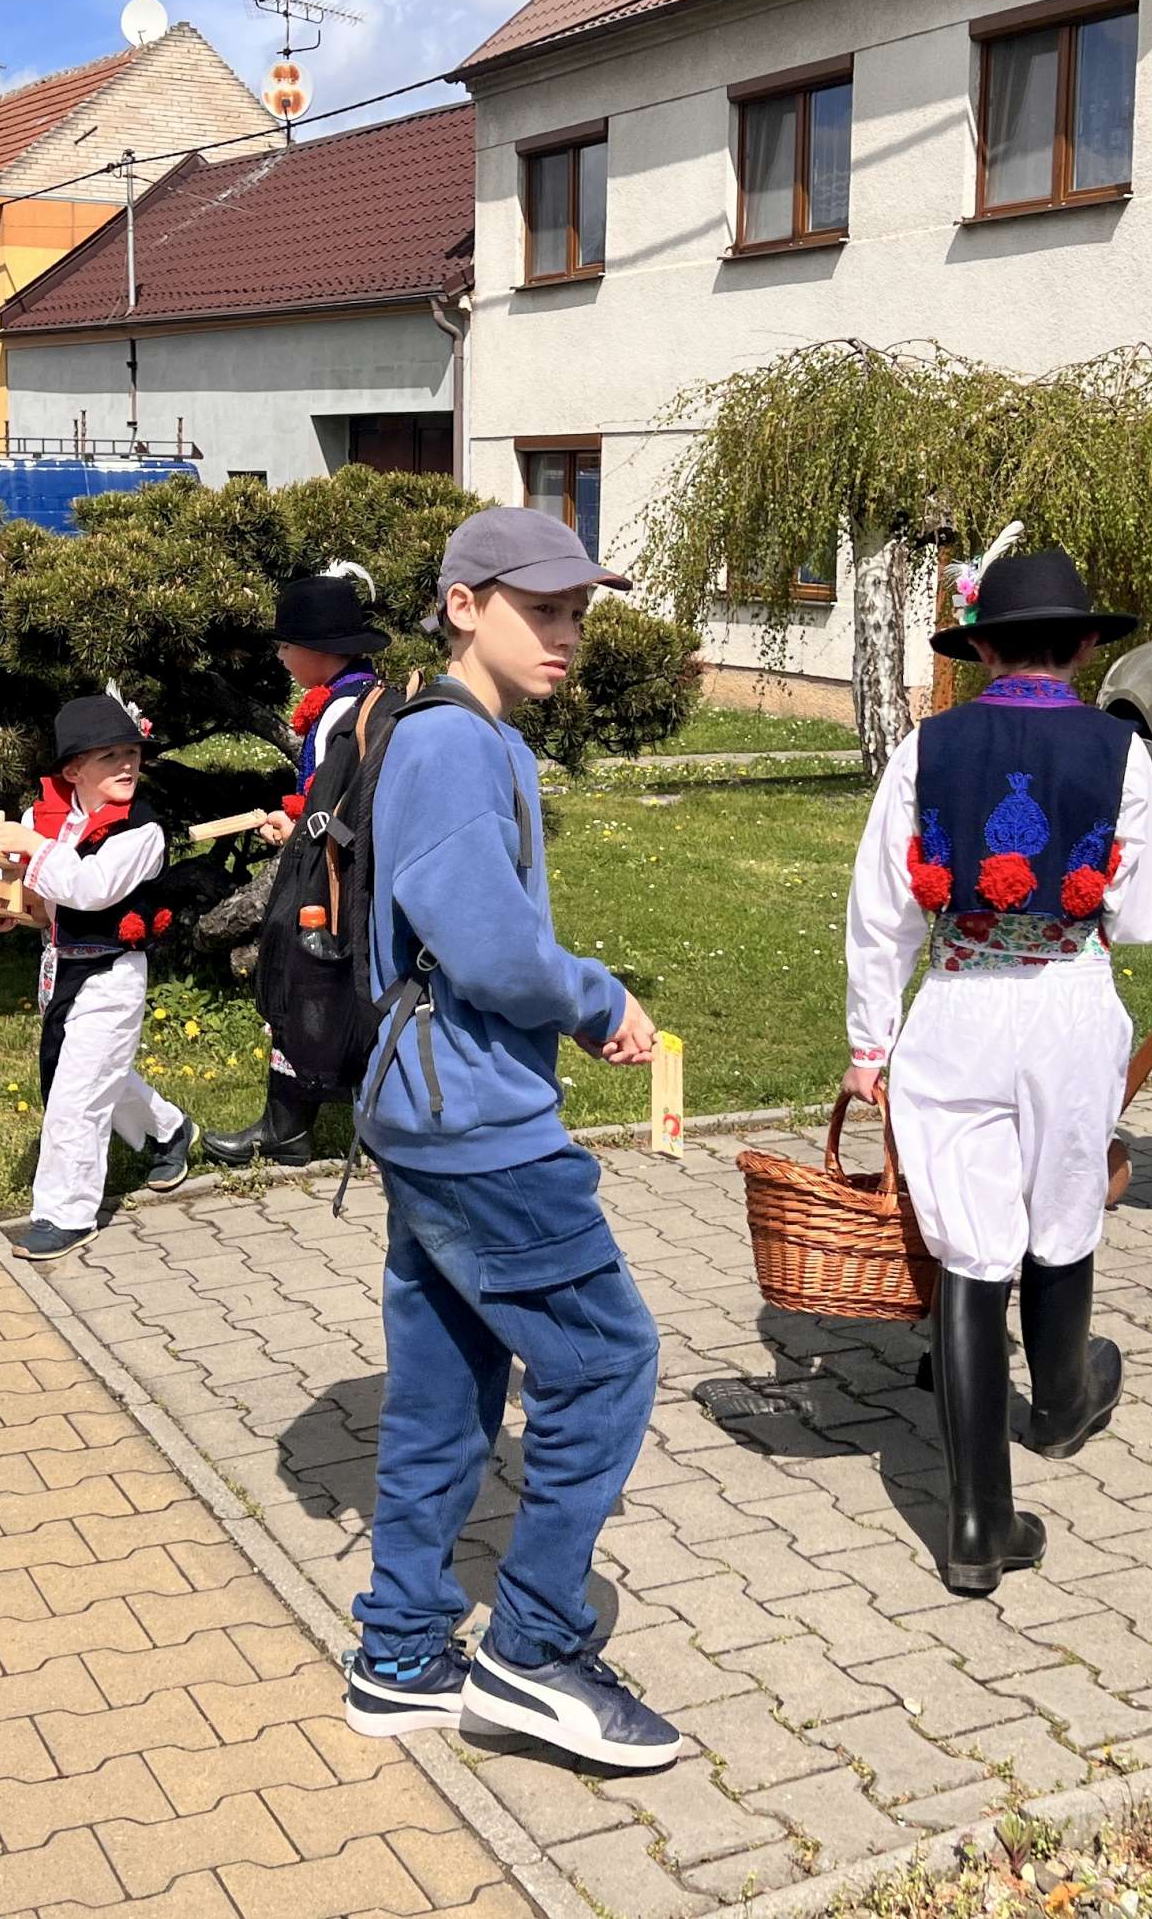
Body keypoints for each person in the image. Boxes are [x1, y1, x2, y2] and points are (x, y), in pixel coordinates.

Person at [341, 505, 682, 1772]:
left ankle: (400, 1653)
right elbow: (487, 946)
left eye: (577, 612)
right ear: (462, 606)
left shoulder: (455, 733)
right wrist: (596, 997)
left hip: (427, 1113)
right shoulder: (454, 745)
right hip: (480, 1127)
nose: (566, 633)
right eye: (540, 609)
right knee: (606, 1361)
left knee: (445, 1389)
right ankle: (534, 1650)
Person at [842, 546, 1152, 1596]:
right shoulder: (1119, 751)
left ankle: (978, 1522)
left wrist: (869, 1044)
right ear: (1083, 646)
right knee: (1064, 1210)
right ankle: (1064, 1400)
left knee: (970, 1246)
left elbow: (882, 909)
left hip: (957, 1004)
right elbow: (1148, 914)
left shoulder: (927, 745)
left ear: (983, 649)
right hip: (1067, 1004)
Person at [0, 690, 198, 1262]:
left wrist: (35, 848)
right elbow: (21, 888)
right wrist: (0, 912)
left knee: (75, 1095)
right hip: (59, 966)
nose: (127, 766)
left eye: (132, 753)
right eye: (110, 757)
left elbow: (91, 887)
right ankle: (169, 1130)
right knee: (95, 1071)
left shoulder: (142, 830)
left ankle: (66, 1214)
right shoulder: (41, 817)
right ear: (73, 770)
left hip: (113, 973)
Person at [208, 568, 388, 1169]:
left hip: (329, 871)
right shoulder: (367, 696)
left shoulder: (341, 712)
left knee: (299, 978)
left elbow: (338, 799)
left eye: (287, 645)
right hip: (346, 862)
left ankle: (288, 1127)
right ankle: (342, 1117)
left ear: (318, 650)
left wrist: (298, 830)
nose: (281, 656)